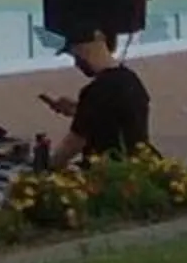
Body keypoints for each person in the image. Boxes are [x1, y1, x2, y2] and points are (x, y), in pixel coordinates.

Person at [45, 30, 150, 166]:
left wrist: (46, 167)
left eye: (75, 56)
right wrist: (79, 110)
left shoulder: (97, 91)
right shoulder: (131, 80)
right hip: (137, 168)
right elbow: (115, 118)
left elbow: (72, 144)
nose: (76, 64)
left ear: (83, 49)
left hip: (110, 171)